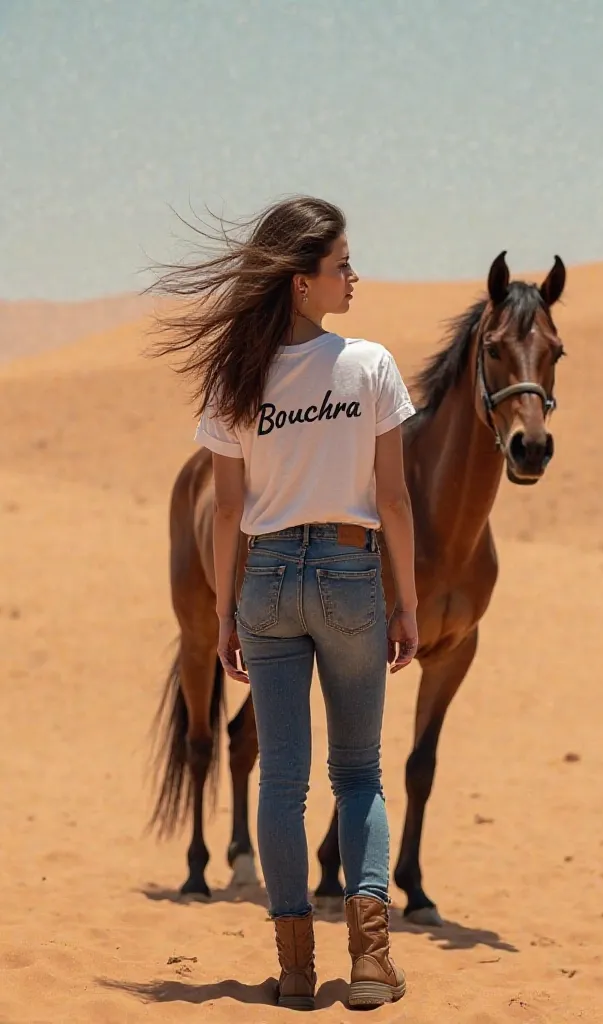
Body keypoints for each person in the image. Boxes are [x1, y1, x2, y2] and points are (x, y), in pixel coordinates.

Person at [152, 196, 418, 1011]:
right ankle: (370, 964)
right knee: (361, 773)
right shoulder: (369, 364)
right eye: (341, 264)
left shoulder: (237, 377)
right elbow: (396, 498)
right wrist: (406, 602)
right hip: (347, 571)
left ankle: (297, 969)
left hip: (264, 579)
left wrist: (227, 610)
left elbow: (228, 511)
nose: (353, 275)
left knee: (281, 784)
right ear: (301, 281)